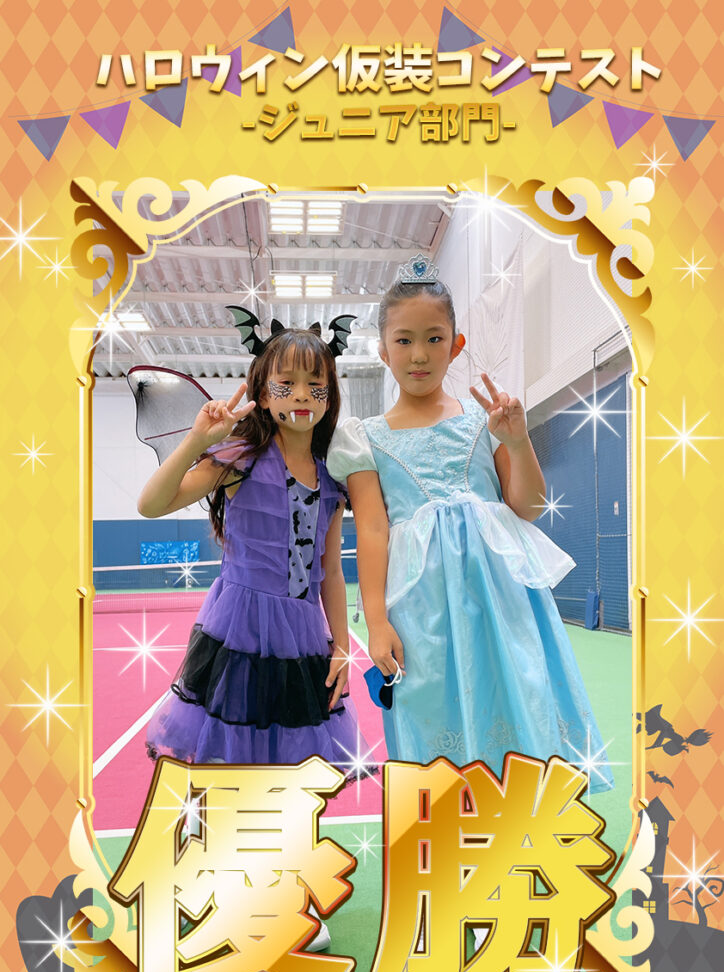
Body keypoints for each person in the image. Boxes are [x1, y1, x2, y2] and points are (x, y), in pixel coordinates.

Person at [327, 260, 613, 792]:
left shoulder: (487, 420)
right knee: (430, 706)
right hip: (420, 606)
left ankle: (523, 818)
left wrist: (518, 441)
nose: (419, 354)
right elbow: (372, 531)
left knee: (518, 692)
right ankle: (447, 826)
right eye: (404, 340)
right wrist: (376, 621)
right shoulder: (364, 437)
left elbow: (528, 506)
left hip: (501, 597)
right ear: (383, 350)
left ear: (456, 346)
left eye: (434, 338)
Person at [138, 325, 361, 771]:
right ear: (262, 391)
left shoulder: (333, 479)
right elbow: (151, 505)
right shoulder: (239, 457)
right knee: (235, 756)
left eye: (315, 384)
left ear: (329, 396)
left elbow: (331, 572)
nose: (302, 394)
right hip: (240, 629)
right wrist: (198, 442)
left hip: (303, 634)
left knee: (292, 762)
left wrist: (341, 646)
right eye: (287, 383)